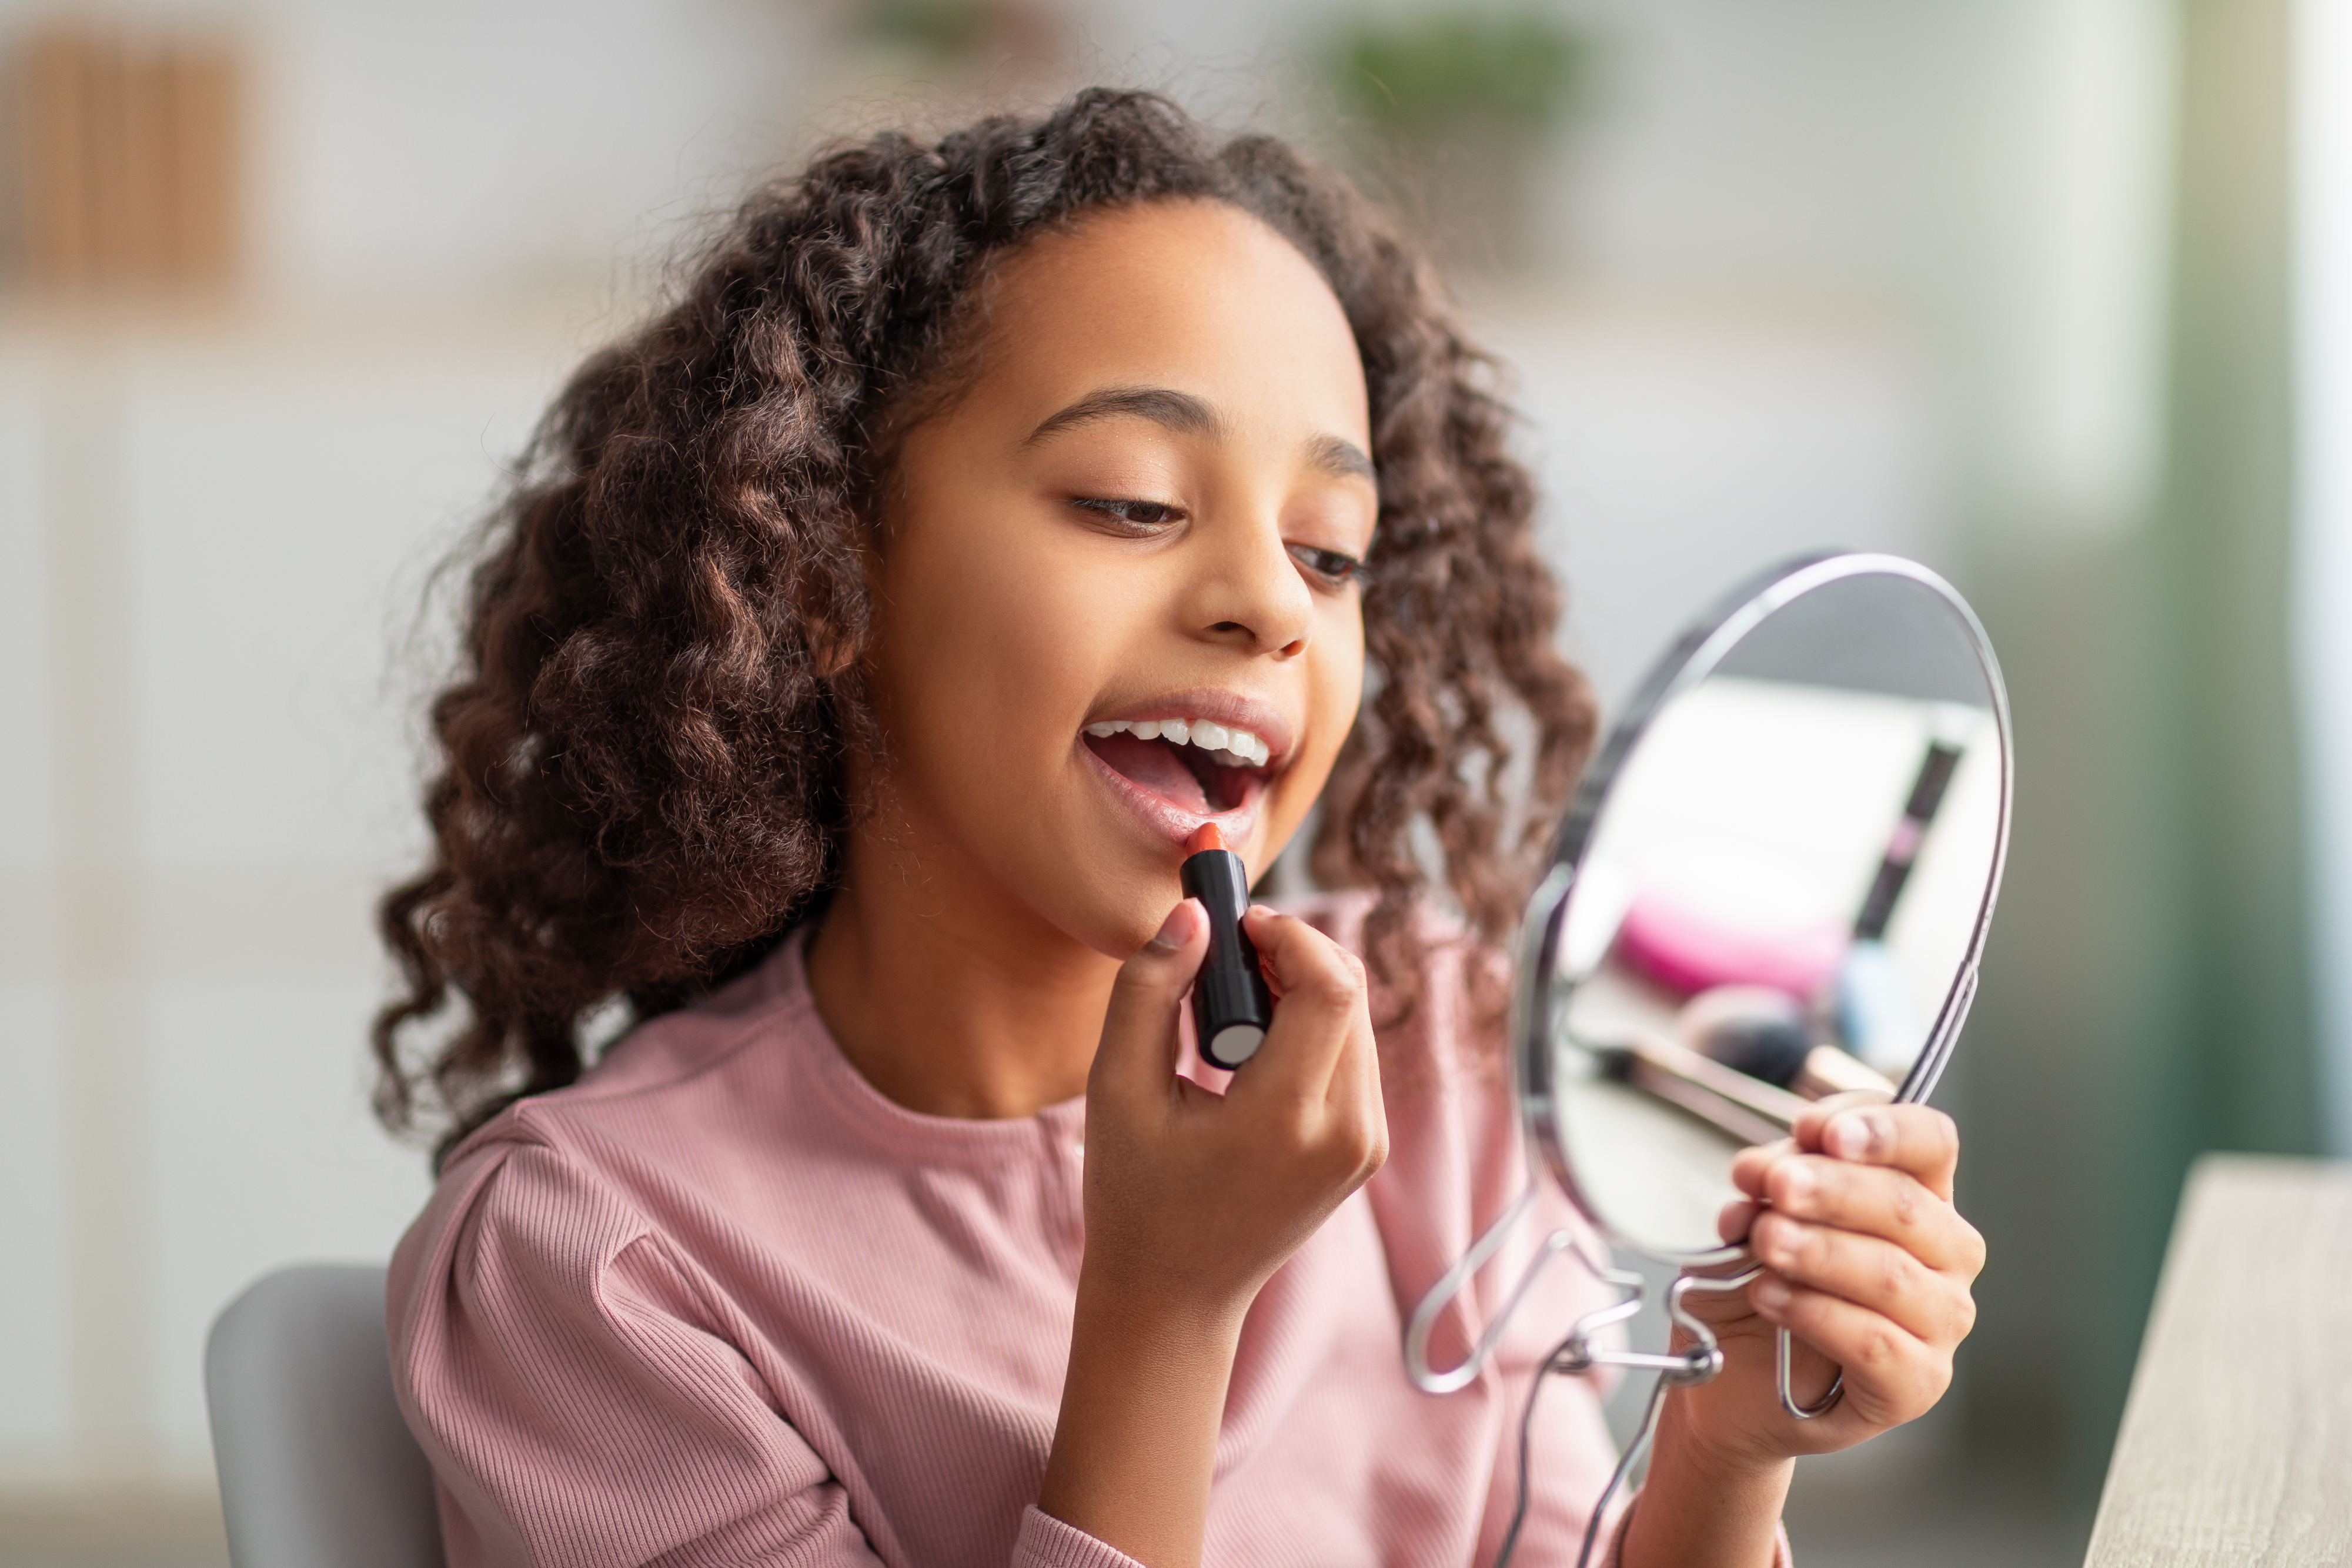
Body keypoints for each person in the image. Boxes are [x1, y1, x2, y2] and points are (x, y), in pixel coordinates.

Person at [373, 89, 1984, 1568]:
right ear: (823, 581)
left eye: (1335, 551)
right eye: (1136, 503)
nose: (1271, 601)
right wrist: (1162, 1313)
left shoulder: (1429, 1055)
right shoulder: (596, 1261)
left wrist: (1717, 1455)